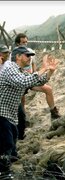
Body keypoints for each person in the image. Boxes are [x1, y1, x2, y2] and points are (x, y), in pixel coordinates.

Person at [0, 45, 58, 173]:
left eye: (31, 56)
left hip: (10, 113)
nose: (30, 58)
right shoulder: (9, 68)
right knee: (6, 145)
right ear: (18, 56)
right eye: (27, 56)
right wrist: (43, 68)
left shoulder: (19, 70)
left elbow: (37, 82)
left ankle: (10, 165)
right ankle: (4, 172)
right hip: (1, 113)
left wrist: (50, 71)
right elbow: (24, 82)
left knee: (12, 146)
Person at [14, 33, 61, 119]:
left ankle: (53, 112)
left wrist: (39, 75)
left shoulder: (30, 53)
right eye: (23, 42)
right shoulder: (14, 55)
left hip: (30, 78)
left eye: (26, 42)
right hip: (19, 80)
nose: (25, 44)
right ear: (17, 44)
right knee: (21, 98)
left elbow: (34, 68)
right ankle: (22, 117)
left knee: (48, 89)